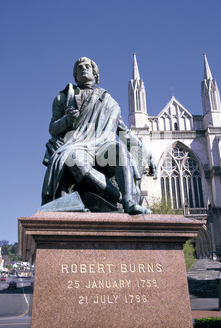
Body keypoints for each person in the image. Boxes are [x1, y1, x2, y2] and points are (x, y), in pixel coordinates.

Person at [41, 57, 156, 214]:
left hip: (102, 146)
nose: (83, 69)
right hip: (77, 145)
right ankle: (119, 198)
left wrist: (146, 154)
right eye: (79, 67)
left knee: (119, 148)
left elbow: (123, 132)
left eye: (87, 66)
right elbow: (53, 129)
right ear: (75, 74)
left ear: (95, 73)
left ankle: (129, 201)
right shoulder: (64, 97)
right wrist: (67, 120)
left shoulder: (109, 101)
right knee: (74, 159)